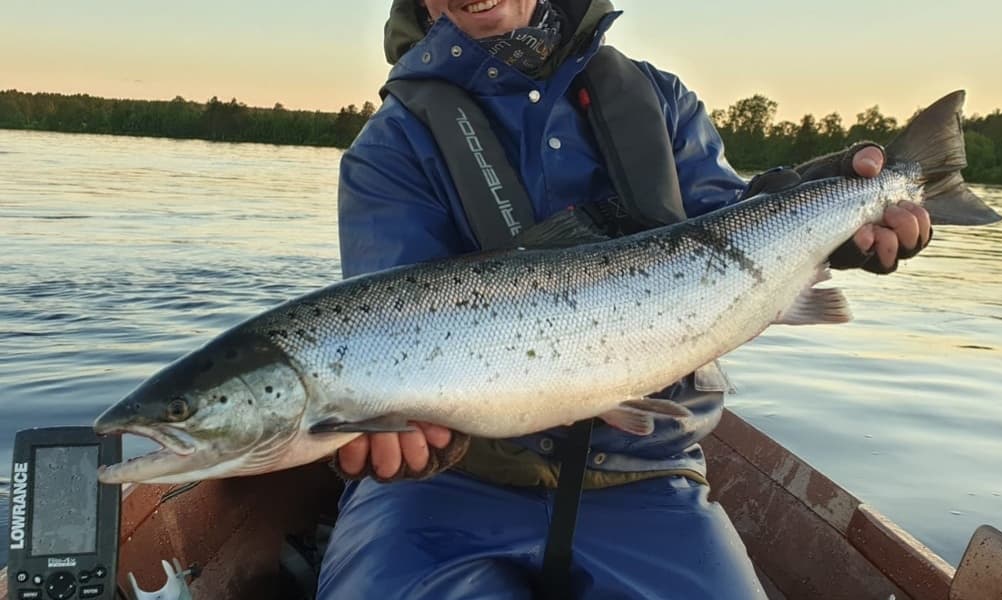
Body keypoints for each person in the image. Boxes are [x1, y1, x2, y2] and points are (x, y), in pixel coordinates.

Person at [315, 1, 932, 598]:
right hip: (448, 489)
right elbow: (387, 321)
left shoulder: (659, 99)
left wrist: (822, 205)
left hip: (649, 474)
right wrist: (417, 431)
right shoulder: (389, 145)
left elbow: (727, 227)